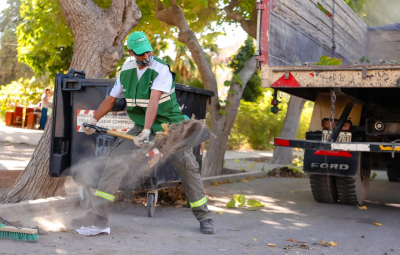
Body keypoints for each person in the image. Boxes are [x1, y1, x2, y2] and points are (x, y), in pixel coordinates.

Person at [71, 31, 216, 234]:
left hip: (168, 127)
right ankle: (98, 216)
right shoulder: (126, 70)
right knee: (114, 162)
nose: (146, 56)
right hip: (141, 126)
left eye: (148, 51)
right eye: (140, 53)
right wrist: (94, 120)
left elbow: (154, 101)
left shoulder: (160, 69)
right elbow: (111, 99)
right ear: (131, 52)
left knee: (187, 165)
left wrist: (148, 130)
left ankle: (205, 216)